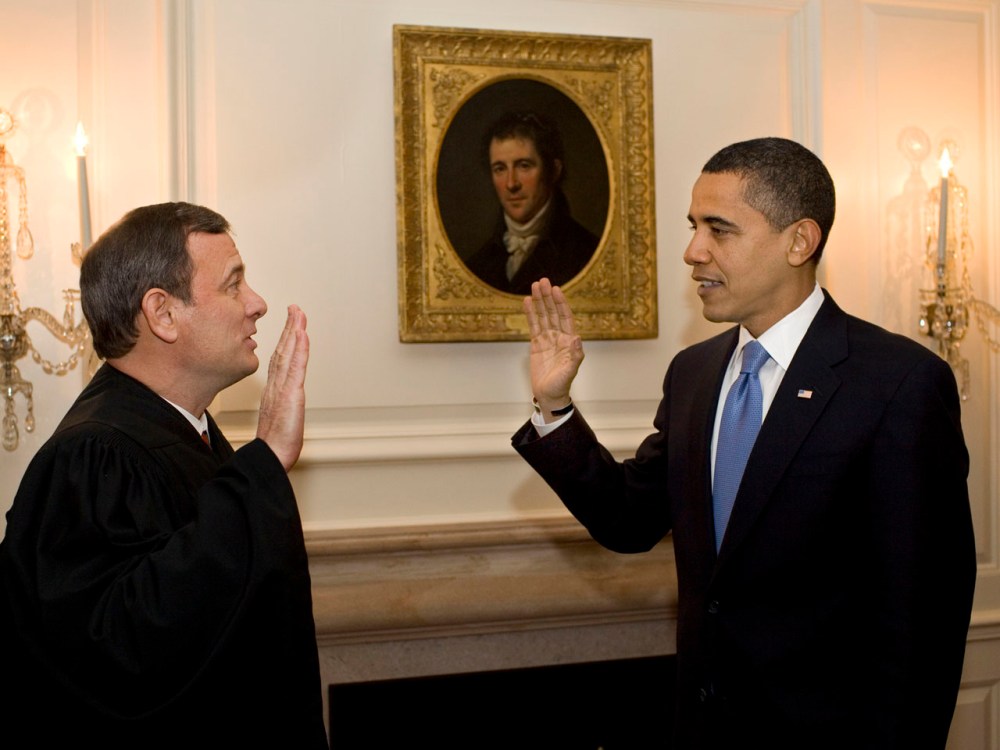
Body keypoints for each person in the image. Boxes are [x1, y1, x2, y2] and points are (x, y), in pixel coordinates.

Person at [513, 138, 976, 748]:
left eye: (719, 229)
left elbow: (925, 617)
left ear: (799, 241)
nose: (692, 251)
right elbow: (628, 521)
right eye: (693, 226)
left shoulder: (897, 382)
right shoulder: (694, 374)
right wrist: (554, 405)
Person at [0, 203, 327, 748]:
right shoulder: (93, 456)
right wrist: (263, 460)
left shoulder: (186, 431)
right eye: (233, 285)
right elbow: (124, 655)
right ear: (163, 313)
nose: (258, 304)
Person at [463, 111, 599, 294]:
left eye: (524, 166)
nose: (511, 183)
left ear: (553, 171)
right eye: (500, 168)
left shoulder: (588, 255)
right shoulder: (475, 267)